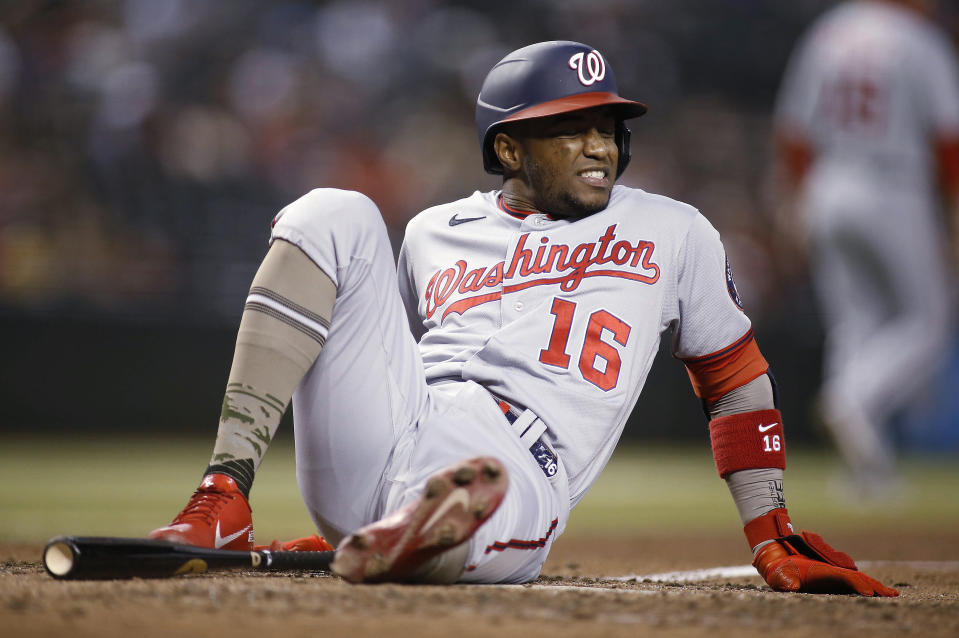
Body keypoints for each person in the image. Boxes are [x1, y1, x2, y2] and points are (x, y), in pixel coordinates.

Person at [150, 40, 897, 594]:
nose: (599, 145)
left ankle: (418, 529)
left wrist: (769, 531)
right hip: (403, 420)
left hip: (525, 460)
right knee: (329, 210)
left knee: (481, 486)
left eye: (607, 126)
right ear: (508, 147)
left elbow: (733, 376)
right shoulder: (430, 231)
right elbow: (372, 359)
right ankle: (226, 494)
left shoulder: (674, 229)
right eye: (570, 128)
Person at [773, 0, 959, 496]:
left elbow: (793, 131)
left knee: (855, 322)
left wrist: (793, 201)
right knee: (929, 320)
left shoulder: (829, 31)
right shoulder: (919, 39)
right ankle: (853, 399)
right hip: (896, 186)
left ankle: (865, 471)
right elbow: (948, 141)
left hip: (828, 185)